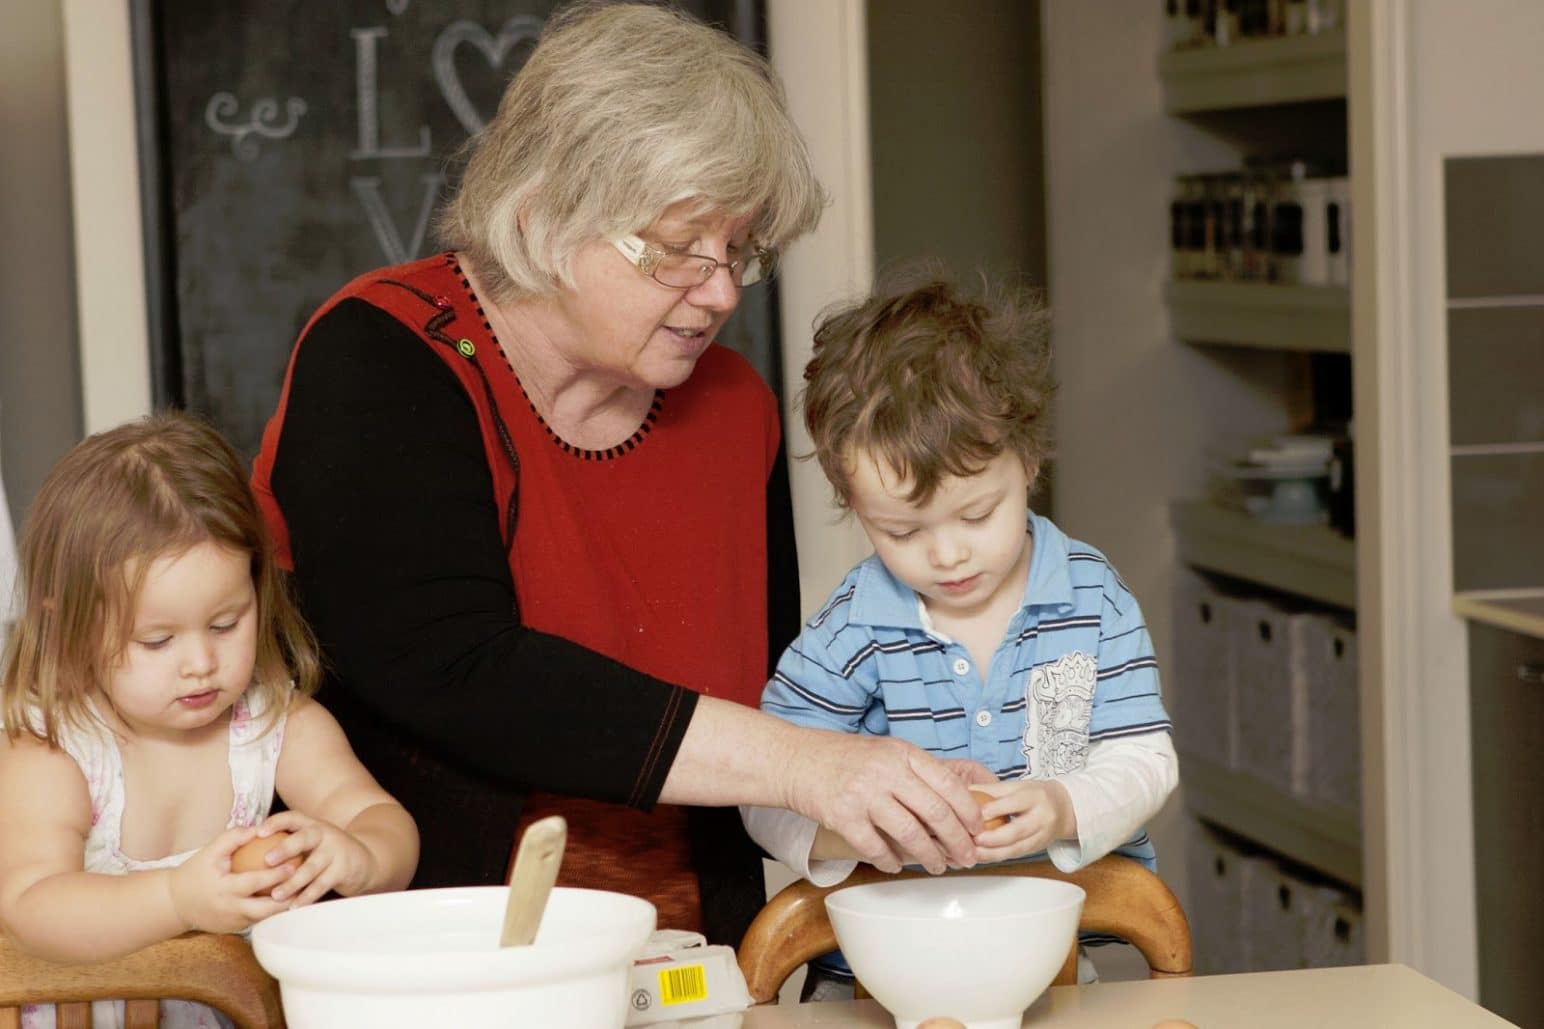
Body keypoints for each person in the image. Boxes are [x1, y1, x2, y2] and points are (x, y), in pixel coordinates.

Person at [251, 0, 990, 948]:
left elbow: (769, 702)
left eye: (739, 250)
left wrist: (893, 796)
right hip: (429, 946)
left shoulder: (736, 409)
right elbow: (450, 666)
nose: (720, 290)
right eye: (679, 250)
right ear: (543, 217)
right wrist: (810, 764)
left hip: (689, 954)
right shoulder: (384, 353)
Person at [740, 271, 1178, 994]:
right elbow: (764, 787)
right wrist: (849, 830)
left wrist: (1062, 805)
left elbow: (1144, 759)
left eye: (976, 515)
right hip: (869, 980)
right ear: (853, 503)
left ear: (1027, 460)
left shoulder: (1091, 598)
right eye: (901, 531)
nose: (947, 555)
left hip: (1050, 969)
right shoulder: (853, 626)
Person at [0, 412, 419, 1029]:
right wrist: (178, 898)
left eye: (225, 624)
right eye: (157, 640)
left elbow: (382, 820)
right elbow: (33, 905)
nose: (200, 663)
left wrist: (358, 857)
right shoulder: (53, 747)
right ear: (73, 628)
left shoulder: (277, 725)